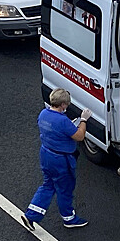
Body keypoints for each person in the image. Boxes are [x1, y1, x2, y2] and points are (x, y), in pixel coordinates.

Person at [21, 88, 91, 230]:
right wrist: (83, 120)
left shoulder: (44, 114)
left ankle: (31, 215)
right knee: (65, 188)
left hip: (46, 155)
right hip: (61, 159)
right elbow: (79, 136)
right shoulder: (62, 121)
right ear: (63, 104)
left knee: (48, 184)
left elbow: (55, 128)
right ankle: (69, 219)